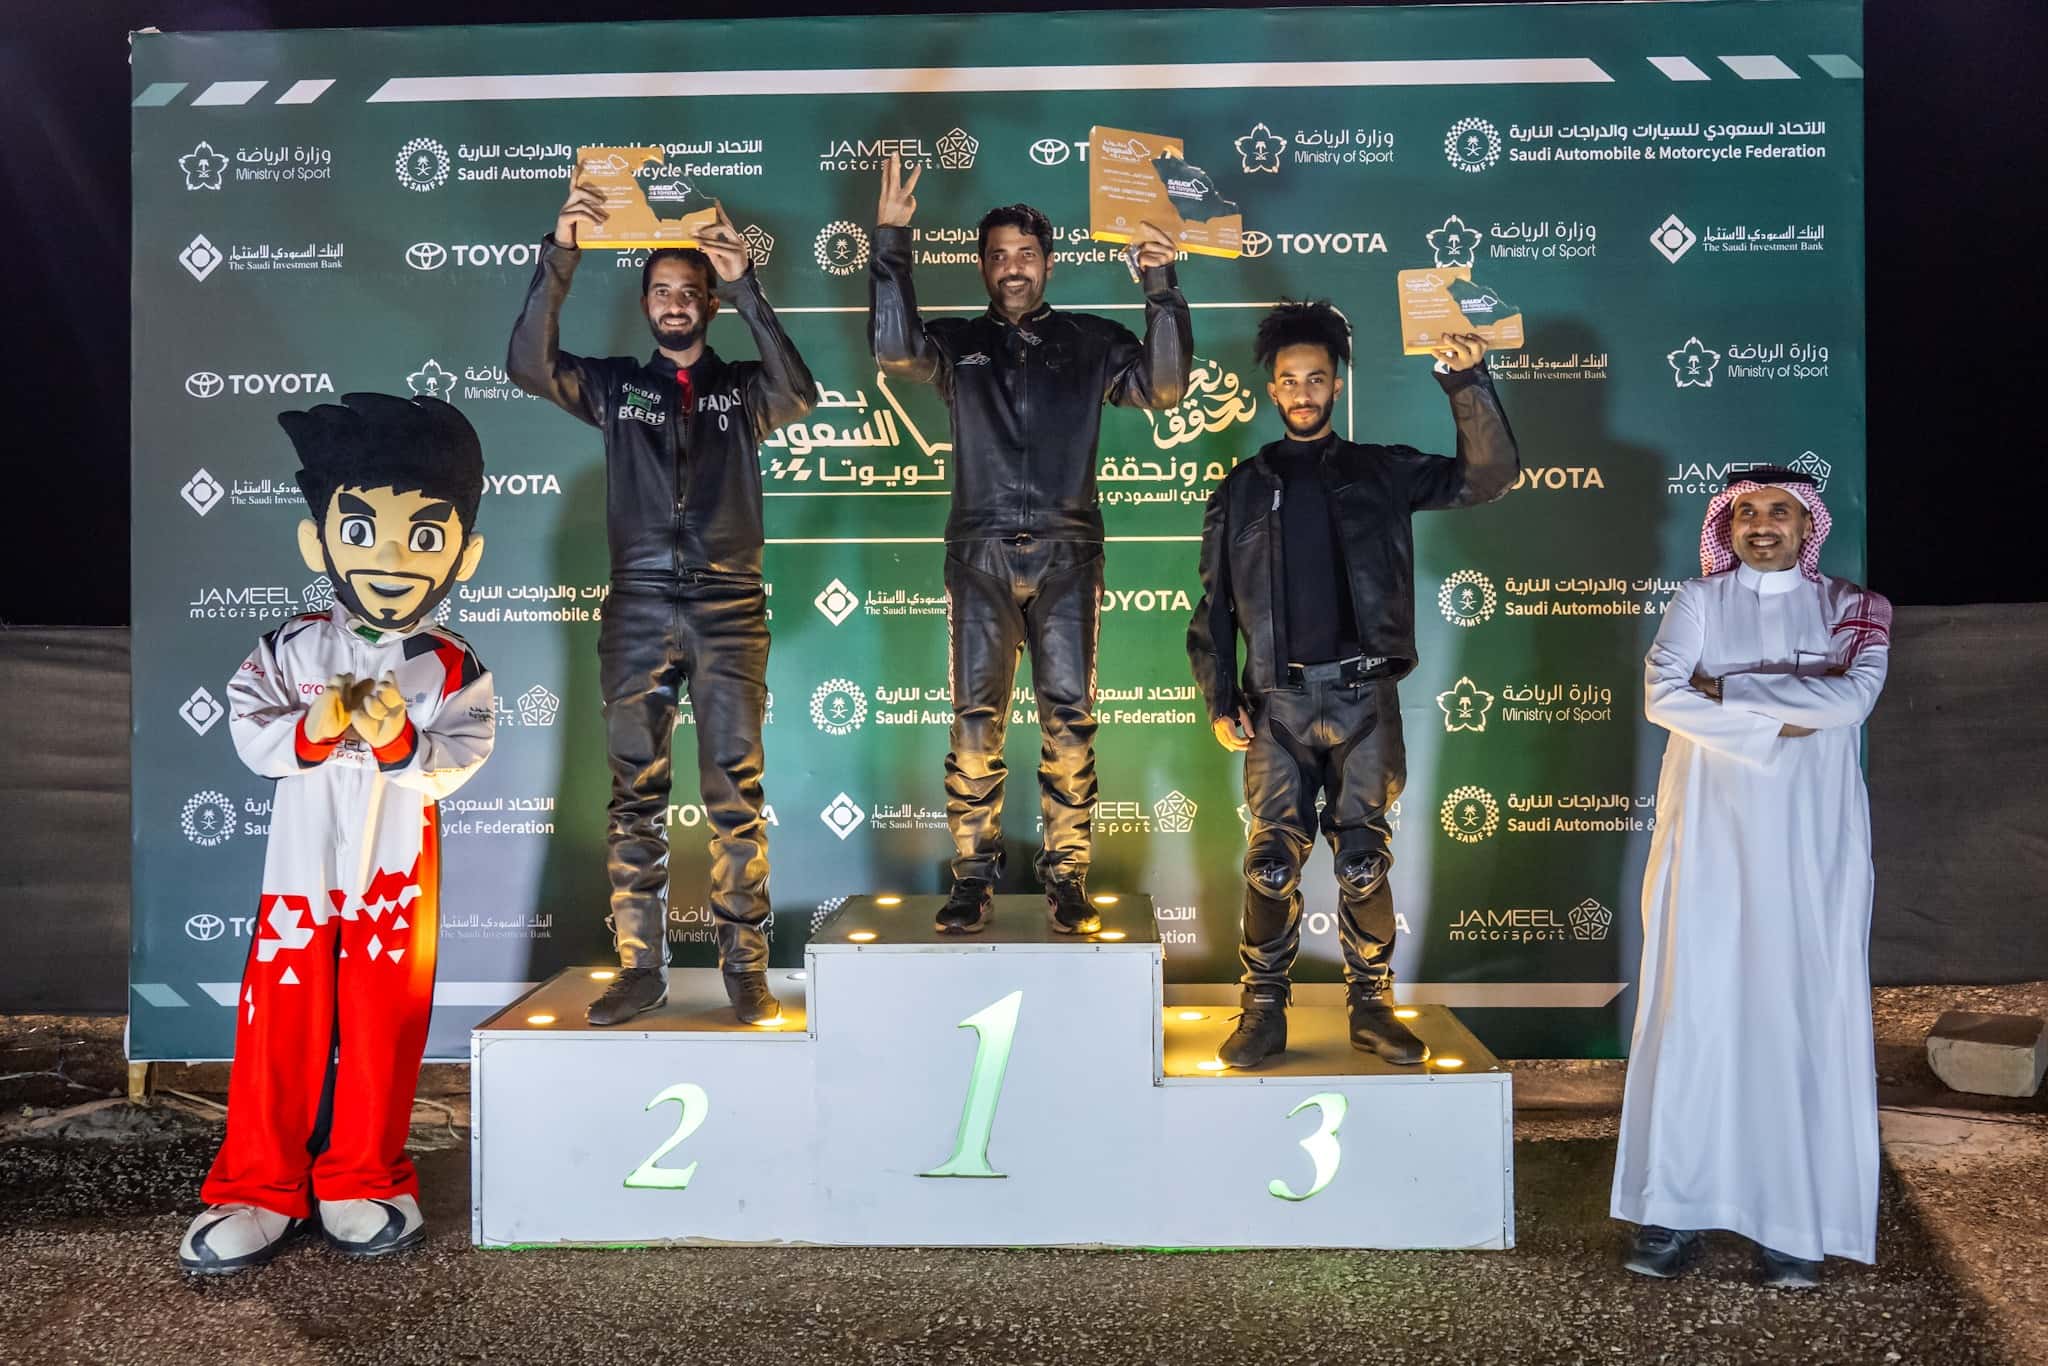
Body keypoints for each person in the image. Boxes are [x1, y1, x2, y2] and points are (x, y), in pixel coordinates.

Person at [179, 393, 495, 1273]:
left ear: (464, 555)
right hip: (299, 874)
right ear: (317, 542)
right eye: (361, 532)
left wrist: (397, 740)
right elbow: (252, 733)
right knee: (278, 1021)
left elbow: (459, 757)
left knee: (383, 1025)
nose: (391, 559)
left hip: (395, 876)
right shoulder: (288, 647)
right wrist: (314, 729)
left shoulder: (453, 662)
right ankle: (257, 1187)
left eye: (423, 537)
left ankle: (363, 1177)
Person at [509, 177, 817, 1027]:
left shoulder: (744, 389)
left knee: (735, 796)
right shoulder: (617, 388)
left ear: (709, 303)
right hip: (639, 605)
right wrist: (561, 256)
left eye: (690, 291)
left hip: (728, 607)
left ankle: (745, 971)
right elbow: (528, 364)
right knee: (634, 795)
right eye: (661, 292)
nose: (675, 303)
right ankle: (640, 969)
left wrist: (749, 288)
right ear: (645, 304)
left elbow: (799, 393)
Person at [1187, 301, 1517, 1068]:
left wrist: (1467, 381)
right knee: (1271, 863)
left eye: (1316, 378)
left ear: (1336, 385)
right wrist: (1219, 694)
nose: (1302, 391)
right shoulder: (1241, 488)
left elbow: (1489, 475)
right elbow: (1213, 605)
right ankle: (1261, 1013)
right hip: (1277, 704)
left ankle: (1373, 1009)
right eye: (1289, 379)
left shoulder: (1380, 471)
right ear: (1272, 388)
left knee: (1363, 860)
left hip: (1365, 697)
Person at [868, 154, 1191, 934]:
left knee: (1069, 725)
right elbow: (894, 351)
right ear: (982, 266)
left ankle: (1068, 877)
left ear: (1048, 262)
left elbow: (1166, 386)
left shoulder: (1091, 340)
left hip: (1068, 552)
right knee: (975, 726)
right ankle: (973, 879)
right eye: (998, 255)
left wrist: (1160, 284)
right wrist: (890, 242)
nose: (1012, 267)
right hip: (978, 552)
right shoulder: (957, 344)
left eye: (1026, 254)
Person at [1612, 469, 1892, 1288]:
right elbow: (1664, 696)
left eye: (1778, 512)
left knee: (1797, 1009)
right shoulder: (1698, 600)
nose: (1760, 524)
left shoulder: (1856, 607)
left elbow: (1854, 701)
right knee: (1694, 1006)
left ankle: (1794, 1224)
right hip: (1708, 831)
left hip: (1809, 842)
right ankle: (1673, 1211)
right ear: (1726, 525)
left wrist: (1728, 688)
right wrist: (1788, 710)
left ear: (1808, 526)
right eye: (1745, 512)